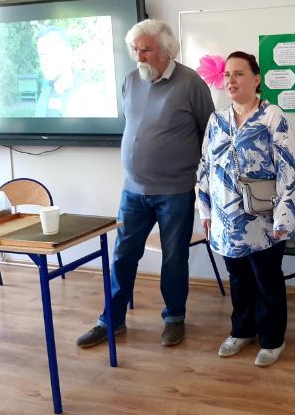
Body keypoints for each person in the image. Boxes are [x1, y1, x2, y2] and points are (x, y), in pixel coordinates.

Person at [76, 19, 215, 348]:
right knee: (122, 256)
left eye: (146, 50)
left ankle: (174, 317)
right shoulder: (130, 81)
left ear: (166, 51)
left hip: (175, 192)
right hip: (133, 191)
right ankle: (111, 320)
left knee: (173, 259)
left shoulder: (191, 83)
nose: (139, 56)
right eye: (135, 50)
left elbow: (209, 134)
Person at [197, 51, 295, 367]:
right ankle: (242, 331)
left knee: (267, 280)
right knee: (238, 278)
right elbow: (205, 166)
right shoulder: (216, 120)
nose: (231, 80)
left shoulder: (272, 116)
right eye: (227, 74)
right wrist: (205, 211)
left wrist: (284, 215)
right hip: (226, 218)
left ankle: (272, 339)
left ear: (256, 79)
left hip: (264, 218)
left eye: (239, 73)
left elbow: (287, 169)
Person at [34, 27, 114, 118]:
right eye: (42, 55)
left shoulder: (91, 97)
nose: (44, 61)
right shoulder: (43, 97)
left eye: (50, 53)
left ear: (68, 53)